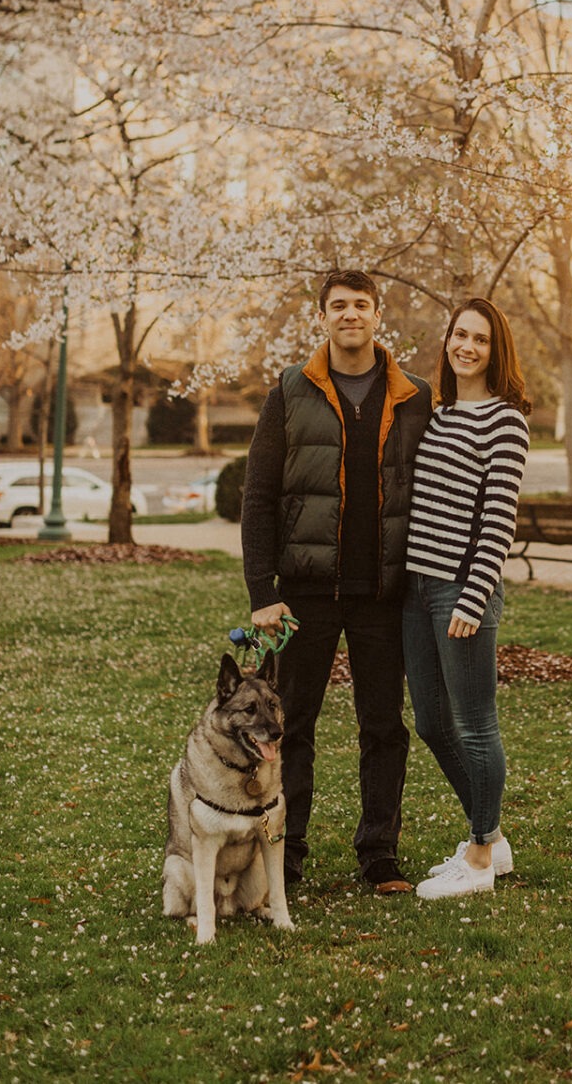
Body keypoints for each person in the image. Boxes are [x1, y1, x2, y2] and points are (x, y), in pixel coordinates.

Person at [241, 270, 432, 894]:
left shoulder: (414, 396)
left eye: (361, 305)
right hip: (304, 594)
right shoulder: (290, 390)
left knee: (383, 727)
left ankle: (379, 854)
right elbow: (260, 495)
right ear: (321, 317)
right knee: (290, 727)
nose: (350, 314)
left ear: (379, 315)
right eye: (338, 306)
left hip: (384, 594)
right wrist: (262, 593)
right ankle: (286, 853)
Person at [403, 297, 531, 899]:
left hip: (461, 590)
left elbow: (498, 521)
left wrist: (472, 598)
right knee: (431, 722)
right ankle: (492, 836)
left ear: (494, 349)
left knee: (476, 726)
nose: (467, 347)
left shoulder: (505, 420)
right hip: (417, 587)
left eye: (480, 339)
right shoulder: (440, 412)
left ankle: (480, 858)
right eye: (460, 335)